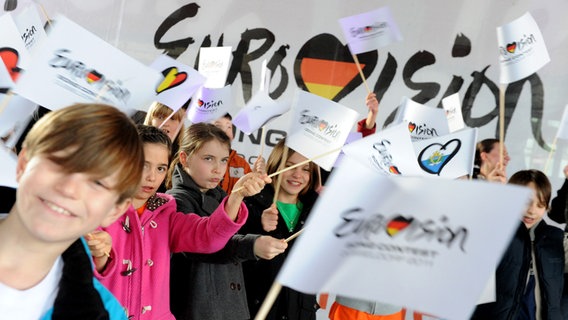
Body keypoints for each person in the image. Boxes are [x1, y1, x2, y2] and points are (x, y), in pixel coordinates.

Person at [87, 124, 270, 320]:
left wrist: (237, 196)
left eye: (160, 168)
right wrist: (99, 256)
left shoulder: (166, 212)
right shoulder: (96, 209)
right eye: (143, 165)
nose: (152, 176)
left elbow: (208, 236)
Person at [0, 103, 143, 319]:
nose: (68, 189)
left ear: (115, 210)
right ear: (23, 164)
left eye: (97, 183)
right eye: (59, 163)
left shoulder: (106, 313)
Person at [165, 122, 287, 320]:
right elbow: (208, 244)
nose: (218, 169)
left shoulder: (221, 196)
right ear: (184, 158)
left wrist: (260, 223)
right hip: (198, 309)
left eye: (223, 160)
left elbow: (236, 232)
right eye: (208, 159)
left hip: (230, 307)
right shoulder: (176, 200)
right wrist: (252, 245)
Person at [241, 138, 321, 320]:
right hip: (258, 311)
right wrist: (258, 227)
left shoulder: (318, 210)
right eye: (290, 166)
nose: (297, 175)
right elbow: (233, 256)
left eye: (305, 169)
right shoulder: (251, 203)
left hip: (301, 312)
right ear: (277, 166)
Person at [471, 169, 564, 319]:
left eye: (540, 205)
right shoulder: (497, 231)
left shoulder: (556, 239)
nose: (532, 211)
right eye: (526, 202)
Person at [213, 113, 252, 194]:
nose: (224, 131)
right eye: (218, 126)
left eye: (229, 127)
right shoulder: (198, 160)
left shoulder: (242, 164)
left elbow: (250, 198)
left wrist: (255, 178)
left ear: (233, 136)